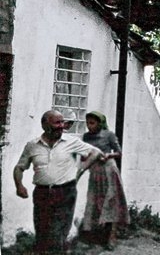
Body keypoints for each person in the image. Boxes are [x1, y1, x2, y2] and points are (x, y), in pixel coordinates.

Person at [13, 109, 103, 254]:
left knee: (57, 236)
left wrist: (80, 171)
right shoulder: (32, 145)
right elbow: (19, 167)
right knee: (41, 234)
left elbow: (95, 153)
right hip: (41, 194)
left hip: (65, 193)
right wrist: (19, 186)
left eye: (62, 122)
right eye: (57, 122)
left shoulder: (71, 142)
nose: (62, 126)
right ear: (45, 125)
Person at [81, 111, 129, 248]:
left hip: (108, 170)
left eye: (92, 123)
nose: (89, 126)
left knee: (111, 201)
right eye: (87, 123)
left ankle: (111, 236)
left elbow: (119, 153)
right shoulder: (86, 137)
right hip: (95, 171)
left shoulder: (109, 135)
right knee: (94, 202)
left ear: (100, 123)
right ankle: (95, 235)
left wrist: (108, 155)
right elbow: (84, 155)